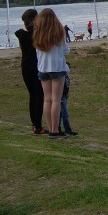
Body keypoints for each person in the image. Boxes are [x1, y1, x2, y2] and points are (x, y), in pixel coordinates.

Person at [34, 8, 70, 139]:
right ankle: (55, 130)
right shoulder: (59, 32)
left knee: (47, 99)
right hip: (57, 68)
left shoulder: (38, 33)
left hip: (43, 69)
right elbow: (66, 51)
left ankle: (50, 128)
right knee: (56, 99)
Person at [14, 9, 46, 135]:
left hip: (25, 66)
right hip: (36, 66)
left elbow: (20, 32)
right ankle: (37, 125)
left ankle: (35, 123)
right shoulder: (37, 34)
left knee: (32, 95)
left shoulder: (21, 34)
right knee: (39, 96)